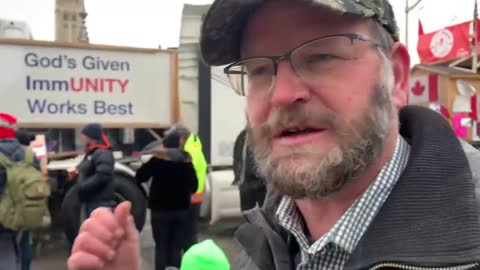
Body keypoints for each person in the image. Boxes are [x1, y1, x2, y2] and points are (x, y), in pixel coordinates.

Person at [68, 0, 480, 269]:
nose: (281, 95)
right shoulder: (265, 243)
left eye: (321, 56)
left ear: (397, 76)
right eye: (259, 70)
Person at [136, 132, 198, 270]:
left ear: (164, 144)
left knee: (161, 247)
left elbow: (139, 176)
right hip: (181, 210)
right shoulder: (186, 161)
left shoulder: (156, 160)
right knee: (176, 247)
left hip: (159, 210)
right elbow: (194, 187)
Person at [0, 114, 39, 270]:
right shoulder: (28, 153)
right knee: (23, 244)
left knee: (4, 251)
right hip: (25, 210)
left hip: (3, 213)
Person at [75, 123, 115, 218]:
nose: (82, 136)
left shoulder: (102, 153)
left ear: (91, 136)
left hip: (100, 201)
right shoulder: (93, 152)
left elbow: (103, 175)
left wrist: (84, 185)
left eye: (84, 134)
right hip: (92, 199)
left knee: (100, 230)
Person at [232, 129, 267, 211]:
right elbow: (237, 157)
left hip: (261, 185)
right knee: (246, 213)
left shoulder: (264, 134)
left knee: (264, 215)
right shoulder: (243, 135)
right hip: (245, 184)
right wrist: (237, 175)